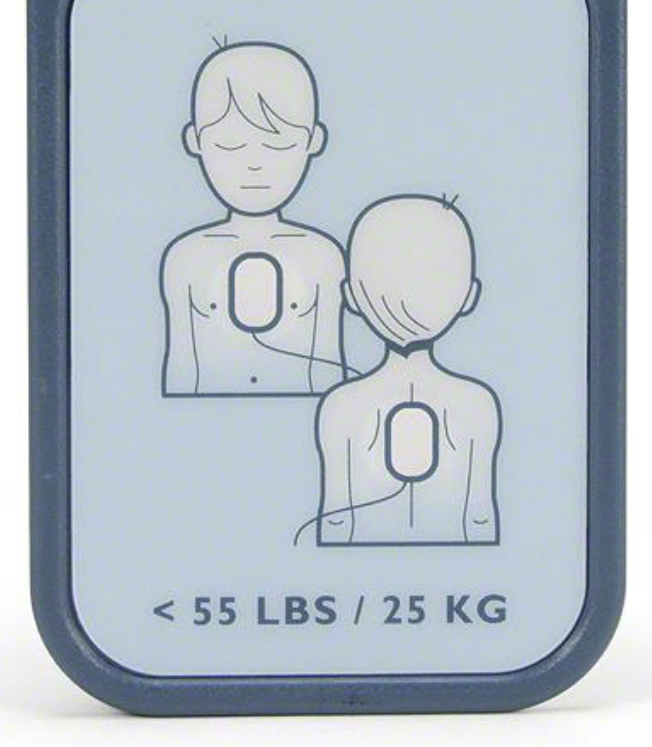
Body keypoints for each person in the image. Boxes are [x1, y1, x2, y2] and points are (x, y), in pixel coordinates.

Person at [307, 195, 501, 545]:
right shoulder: (478, 404)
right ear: (470, 295)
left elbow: (335, 521)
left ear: (350, 297)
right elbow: (480, 518)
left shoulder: (341, 406)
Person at [160, 42, 346, 396]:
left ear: (314, 140)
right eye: (230, 146)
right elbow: (182, 370)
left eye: (278, 146)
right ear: (195, 141)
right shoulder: (186, 258)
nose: (255, 164)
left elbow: (328, 377)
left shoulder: (323, 257)